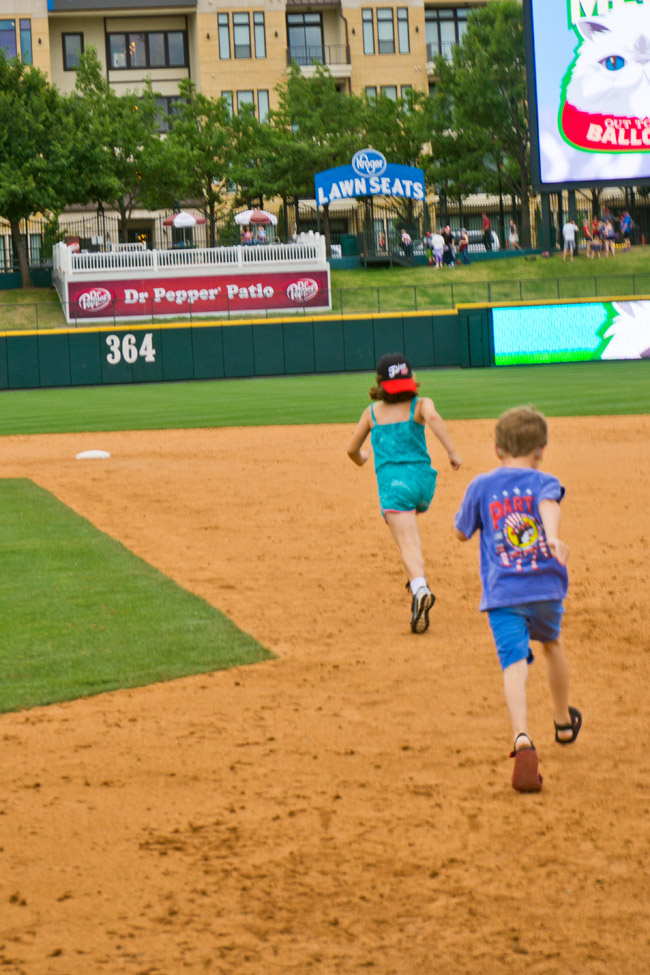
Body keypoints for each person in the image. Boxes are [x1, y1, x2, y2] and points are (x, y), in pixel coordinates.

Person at [454, 406, 582, 793]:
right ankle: (562, 720)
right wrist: (552, 537)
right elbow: (548, 505)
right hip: (545, 588)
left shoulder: (481, 485)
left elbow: (461, 532)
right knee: (551, 644)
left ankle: (522, 737)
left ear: (496, 449)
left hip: (504, 593)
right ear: (541, 450)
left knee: (513, 663)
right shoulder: (545, 479)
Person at [347, 353, 462, 634]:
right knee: (408, 526)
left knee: (408, 543)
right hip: (423, 485)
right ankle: (414, 579)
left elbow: (351, 450)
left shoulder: (372, 412)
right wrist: (451, 451)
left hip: (395, 487)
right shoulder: (421, 405)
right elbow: (433, 417)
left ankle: (419, 587)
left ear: (381, 384)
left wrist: (363, 458)